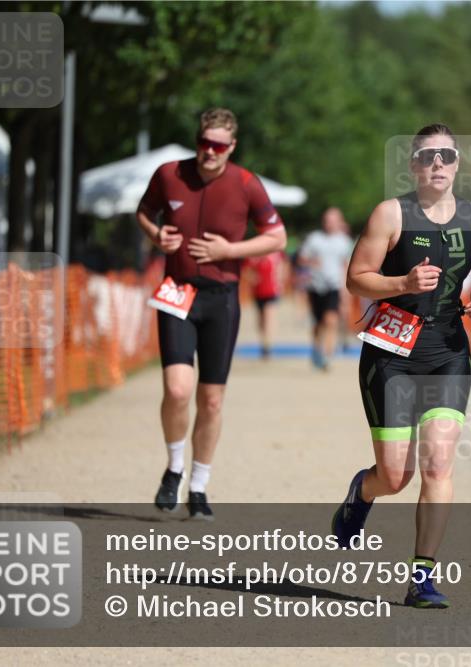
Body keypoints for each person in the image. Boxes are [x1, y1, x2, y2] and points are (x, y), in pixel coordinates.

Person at [332, 124, 471, 608]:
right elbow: (356, 279)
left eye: (446, 155)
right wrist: (402, 282)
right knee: (394, 477)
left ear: (458, 162)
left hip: (447, 352)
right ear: (413, 164)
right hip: (391, 355)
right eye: (428, 157)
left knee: (439, 461)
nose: (438, 164)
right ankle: (361, 494)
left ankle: (422, 577)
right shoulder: (391, 214)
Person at [136, 107, 287, 520]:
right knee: (178, 390)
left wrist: (229, 251)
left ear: (231, 147)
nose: (209, 152)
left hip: (221, 297)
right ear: (197, 140)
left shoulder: (245, 183)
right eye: (204, 142)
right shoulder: (170, 174)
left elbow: (277, 237)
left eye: (218, 146)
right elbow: (145, 212)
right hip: (177, 292)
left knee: (212, 399)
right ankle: (174, 466)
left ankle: (199, 485)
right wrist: (156, 234)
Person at [298, 208, 354, 370]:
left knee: (331, 320)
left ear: (339, 222)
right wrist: (311, 263)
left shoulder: (344, 241)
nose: (329, 223)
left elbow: (346, 266)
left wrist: (346, 291)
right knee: (318, 323)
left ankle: (327, 356)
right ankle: (316, 349)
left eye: (332, 220)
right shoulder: (314, 238)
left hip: (334, 285)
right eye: (327, 220)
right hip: (315, 286)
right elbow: (302, 259)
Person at [244, 249, 286, 359]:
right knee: (261, 319)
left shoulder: (277, 254)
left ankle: (268, 345)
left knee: (269, 316)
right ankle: (263, 342)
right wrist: (253, 278)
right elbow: (246, 270)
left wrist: (281, 281)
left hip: (272, 290)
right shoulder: (254, 255)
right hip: (258, 291)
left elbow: (282, 268)